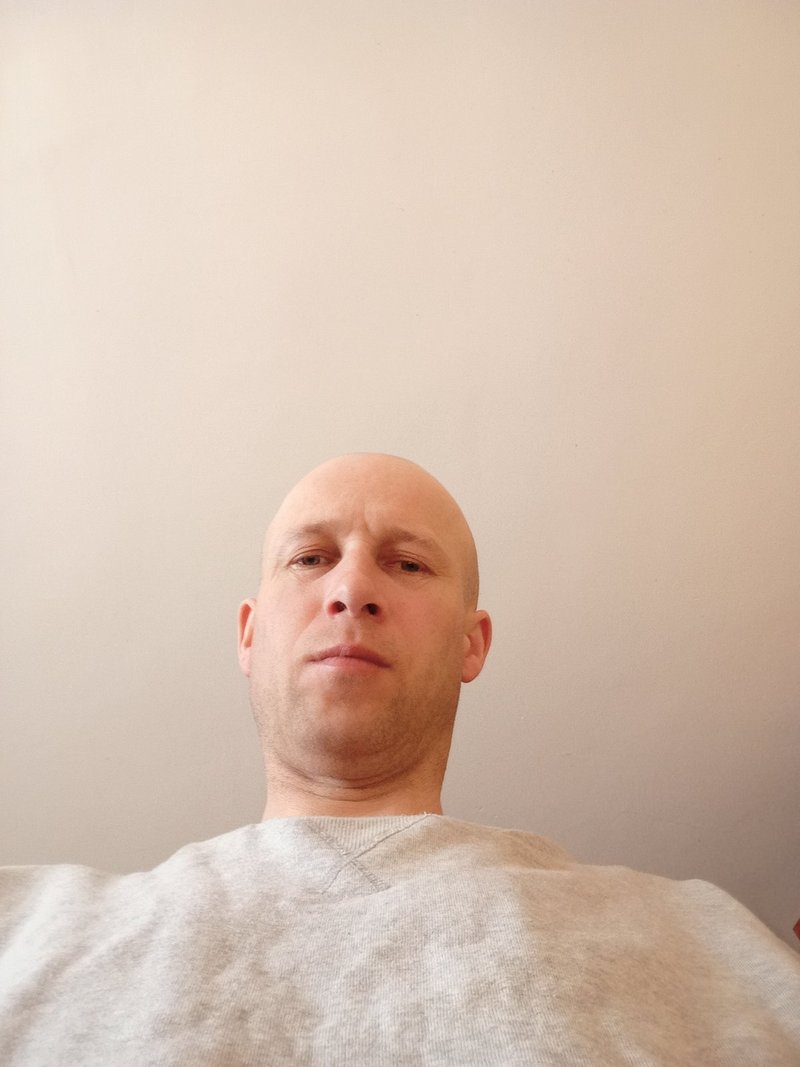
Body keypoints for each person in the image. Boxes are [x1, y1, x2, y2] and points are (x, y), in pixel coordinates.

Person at [1, 453, 798, 1066]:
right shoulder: (26, 922)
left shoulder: (704, 936)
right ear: (249, 632)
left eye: (408, 563)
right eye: (310, 558)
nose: (352, 588)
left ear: (471, 643)